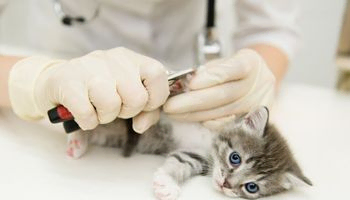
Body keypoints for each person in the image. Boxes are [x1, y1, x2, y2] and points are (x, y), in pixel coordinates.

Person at [0, 0, 298, 133]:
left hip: (187, 104)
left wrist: (259, 74)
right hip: (61, 78)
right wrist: (35, 82)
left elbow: (270, 29)